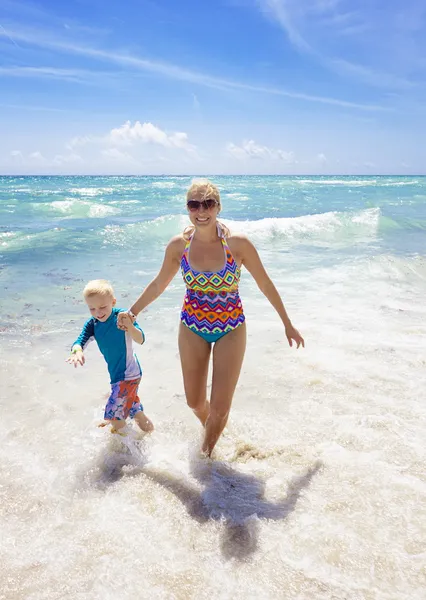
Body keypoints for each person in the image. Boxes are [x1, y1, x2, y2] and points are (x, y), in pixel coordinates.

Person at [118, 180, 303, 456]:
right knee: (194, 401)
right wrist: (132, 312)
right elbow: (159, 284)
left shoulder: (237, 244)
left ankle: (206, 459)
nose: (201, 211)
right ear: (188, 208)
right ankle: (214, 429)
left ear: (218, 207)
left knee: (220, 406)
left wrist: (287, 323)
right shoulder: (179, 246)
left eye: (208, 204)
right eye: (194, 204)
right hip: (192, 327)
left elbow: (265, 283)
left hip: (231, 328)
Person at [67, 279, 154, 435]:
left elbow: (141, 339)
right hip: (118, 375)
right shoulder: (93, 324)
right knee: (134, 410)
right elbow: (79, 341)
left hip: (128, 374)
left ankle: (132, 447)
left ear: (113, 302)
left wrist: (130, 327)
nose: (98, 312)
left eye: (102, 307)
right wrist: (77, 351)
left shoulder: (121, 317)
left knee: (115, 418)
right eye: (92, 308)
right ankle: (151, 434)